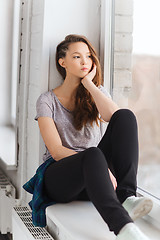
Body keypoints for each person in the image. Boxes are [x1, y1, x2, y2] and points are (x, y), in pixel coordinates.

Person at [25, 34, 153, 239]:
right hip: (62, 178)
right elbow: (57, 152)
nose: (85, 61)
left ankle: (128, 197)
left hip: (95, 178)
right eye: (77, 57)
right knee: (92, 154)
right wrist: (101, 165)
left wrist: (90, 85)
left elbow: (114, 116)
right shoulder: (47, 100)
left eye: (88, 56)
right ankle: (125, 229)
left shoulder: (96, 92)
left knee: (126, 116)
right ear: (62, 62)